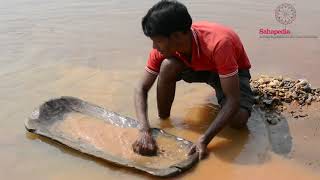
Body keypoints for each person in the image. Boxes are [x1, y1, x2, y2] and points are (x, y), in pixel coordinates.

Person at [132, 0, 254, 160]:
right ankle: (164, 118)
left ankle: (232, 97)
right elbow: (140, 88)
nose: (155, 47)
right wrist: (144, 130)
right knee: (167, 66)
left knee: (238, 120)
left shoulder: (219, 43)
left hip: (227, 70)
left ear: (177, 36)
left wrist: (205, 139)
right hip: (194, 67)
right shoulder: (164, 49)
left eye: (158, 41)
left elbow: (233, 99)